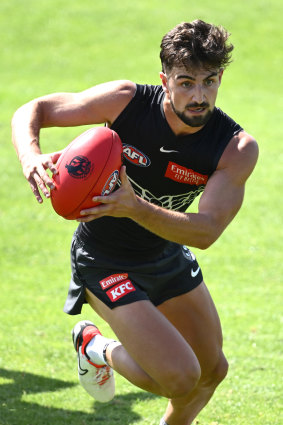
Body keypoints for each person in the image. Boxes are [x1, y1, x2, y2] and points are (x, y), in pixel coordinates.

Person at [12, 19, 258, 425]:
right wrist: (31, 156)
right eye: (186, 83)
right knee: (180, 378)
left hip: (165, 253)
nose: (199, 96)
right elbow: (33, 110)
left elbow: (207, 230)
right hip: (104, 260)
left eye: (210, 81)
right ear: (164, 80)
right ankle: (95, 347)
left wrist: (135, 206)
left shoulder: (235, 148)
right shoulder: (126, 102)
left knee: (213, 372)